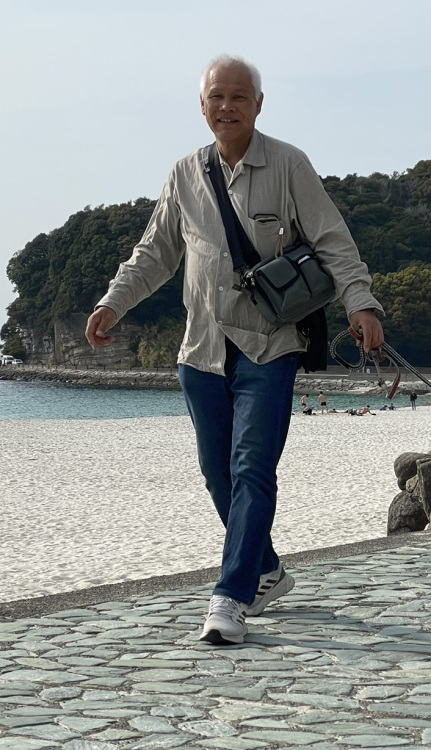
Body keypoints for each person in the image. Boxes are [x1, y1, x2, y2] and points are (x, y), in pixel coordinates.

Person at [84, 55, 384, 646]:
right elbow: (155, 252)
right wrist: (113, 303)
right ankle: (266, 569)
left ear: (258, 104)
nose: (227, 106)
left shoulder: (289, 164)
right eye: (217, 97)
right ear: (202, 106)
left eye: (239, 97)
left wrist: (361, 303)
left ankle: (230, 596)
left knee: (252, 468)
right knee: (217, 474)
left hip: (268, 345)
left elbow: (333, 241)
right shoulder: (184, 173)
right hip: (200, 349)